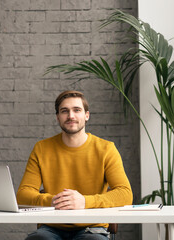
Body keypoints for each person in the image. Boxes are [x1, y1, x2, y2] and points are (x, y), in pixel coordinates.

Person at [17, 90, 133, 240]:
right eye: (64, 111)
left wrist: (85, 201)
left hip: (92, 228)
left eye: (77, 110)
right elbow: (23, 194)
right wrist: (53, 201)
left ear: (87, 115)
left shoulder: (106, 149)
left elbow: (125, 193)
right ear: (58, 117)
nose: (71, 116)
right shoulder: (41, 148)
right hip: (50, 227)